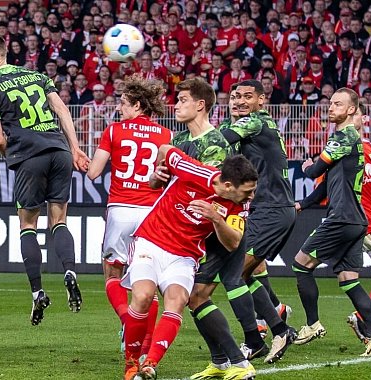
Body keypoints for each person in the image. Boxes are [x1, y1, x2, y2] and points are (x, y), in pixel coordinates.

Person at [0, 34, 90, 325]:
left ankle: (38, 291)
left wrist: (14, 157)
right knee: (60, 220)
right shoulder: (37, 75)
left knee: (28, 224)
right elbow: (62, 110)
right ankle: (70, 271)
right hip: (60, 150)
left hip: (29, 155)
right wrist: (75, 148)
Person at [124, 147, 257, 380]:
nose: (251, 196)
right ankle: (131, 364)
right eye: (247, 191)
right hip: (150, 242)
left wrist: (216, 218)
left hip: (184, 256)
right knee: (143, 297)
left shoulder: (239, 205)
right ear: (227, 187)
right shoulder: (193, 170)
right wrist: (158, 173)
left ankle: (150, 364)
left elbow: (233, 242)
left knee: (177, 301)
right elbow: (166, 149)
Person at [164, 78, 264, 377]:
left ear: (200, 105)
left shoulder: (216, 143)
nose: (176, 105)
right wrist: (160, 174)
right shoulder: (181, 140)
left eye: (182, 100)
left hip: (218, 228)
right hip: (194, 229)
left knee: (196, 296)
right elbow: (166, 182)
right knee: (194, 296)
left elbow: (220, 193)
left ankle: (239, 361)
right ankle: (221, 362)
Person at [298, 103, 371, 354]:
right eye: (359, 113)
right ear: (353, 114)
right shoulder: (343, 147)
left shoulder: (368, 148)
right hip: (365, 221)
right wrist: (307, 193)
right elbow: (326, 186)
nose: (360, 118)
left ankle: (363, 318)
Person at [84, 76, 171, 338]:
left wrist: (80, 159)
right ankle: (144, 342)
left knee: (112, 272)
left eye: (123, 103)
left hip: (121, 208)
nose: (119, 108)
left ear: (136, 105)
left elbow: (93, 173)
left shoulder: (114, 130)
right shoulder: (167, 135)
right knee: (147, 280)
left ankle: (127, 320)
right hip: (152, 213)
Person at [220, 80, 296, 359]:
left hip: (270, 209)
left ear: (262, 100)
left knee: (236, 273)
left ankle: (270, 330)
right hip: (267, 209)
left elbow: (216, 142)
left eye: (247, 97)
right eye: (235, 96)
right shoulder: (253, 128)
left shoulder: (254, 122)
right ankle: (274, 319)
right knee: (246, 271)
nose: (239, 101)